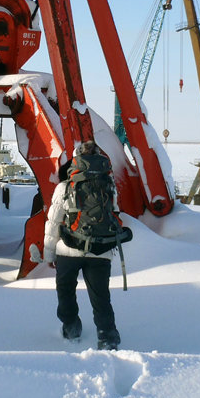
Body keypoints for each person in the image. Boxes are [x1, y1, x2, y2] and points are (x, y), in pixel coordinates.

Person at [43, 140, 127, 350]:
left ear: (76, 160)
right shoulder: (109, 185)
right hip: (101, 250)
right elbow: (114, 214)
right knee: (101, 296)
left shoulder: (65, 187)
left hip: (69, 249)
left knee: (65, 291)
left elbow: (53, 222)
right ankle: (107, 337)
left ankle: (71, 327)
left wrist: (49, 254)